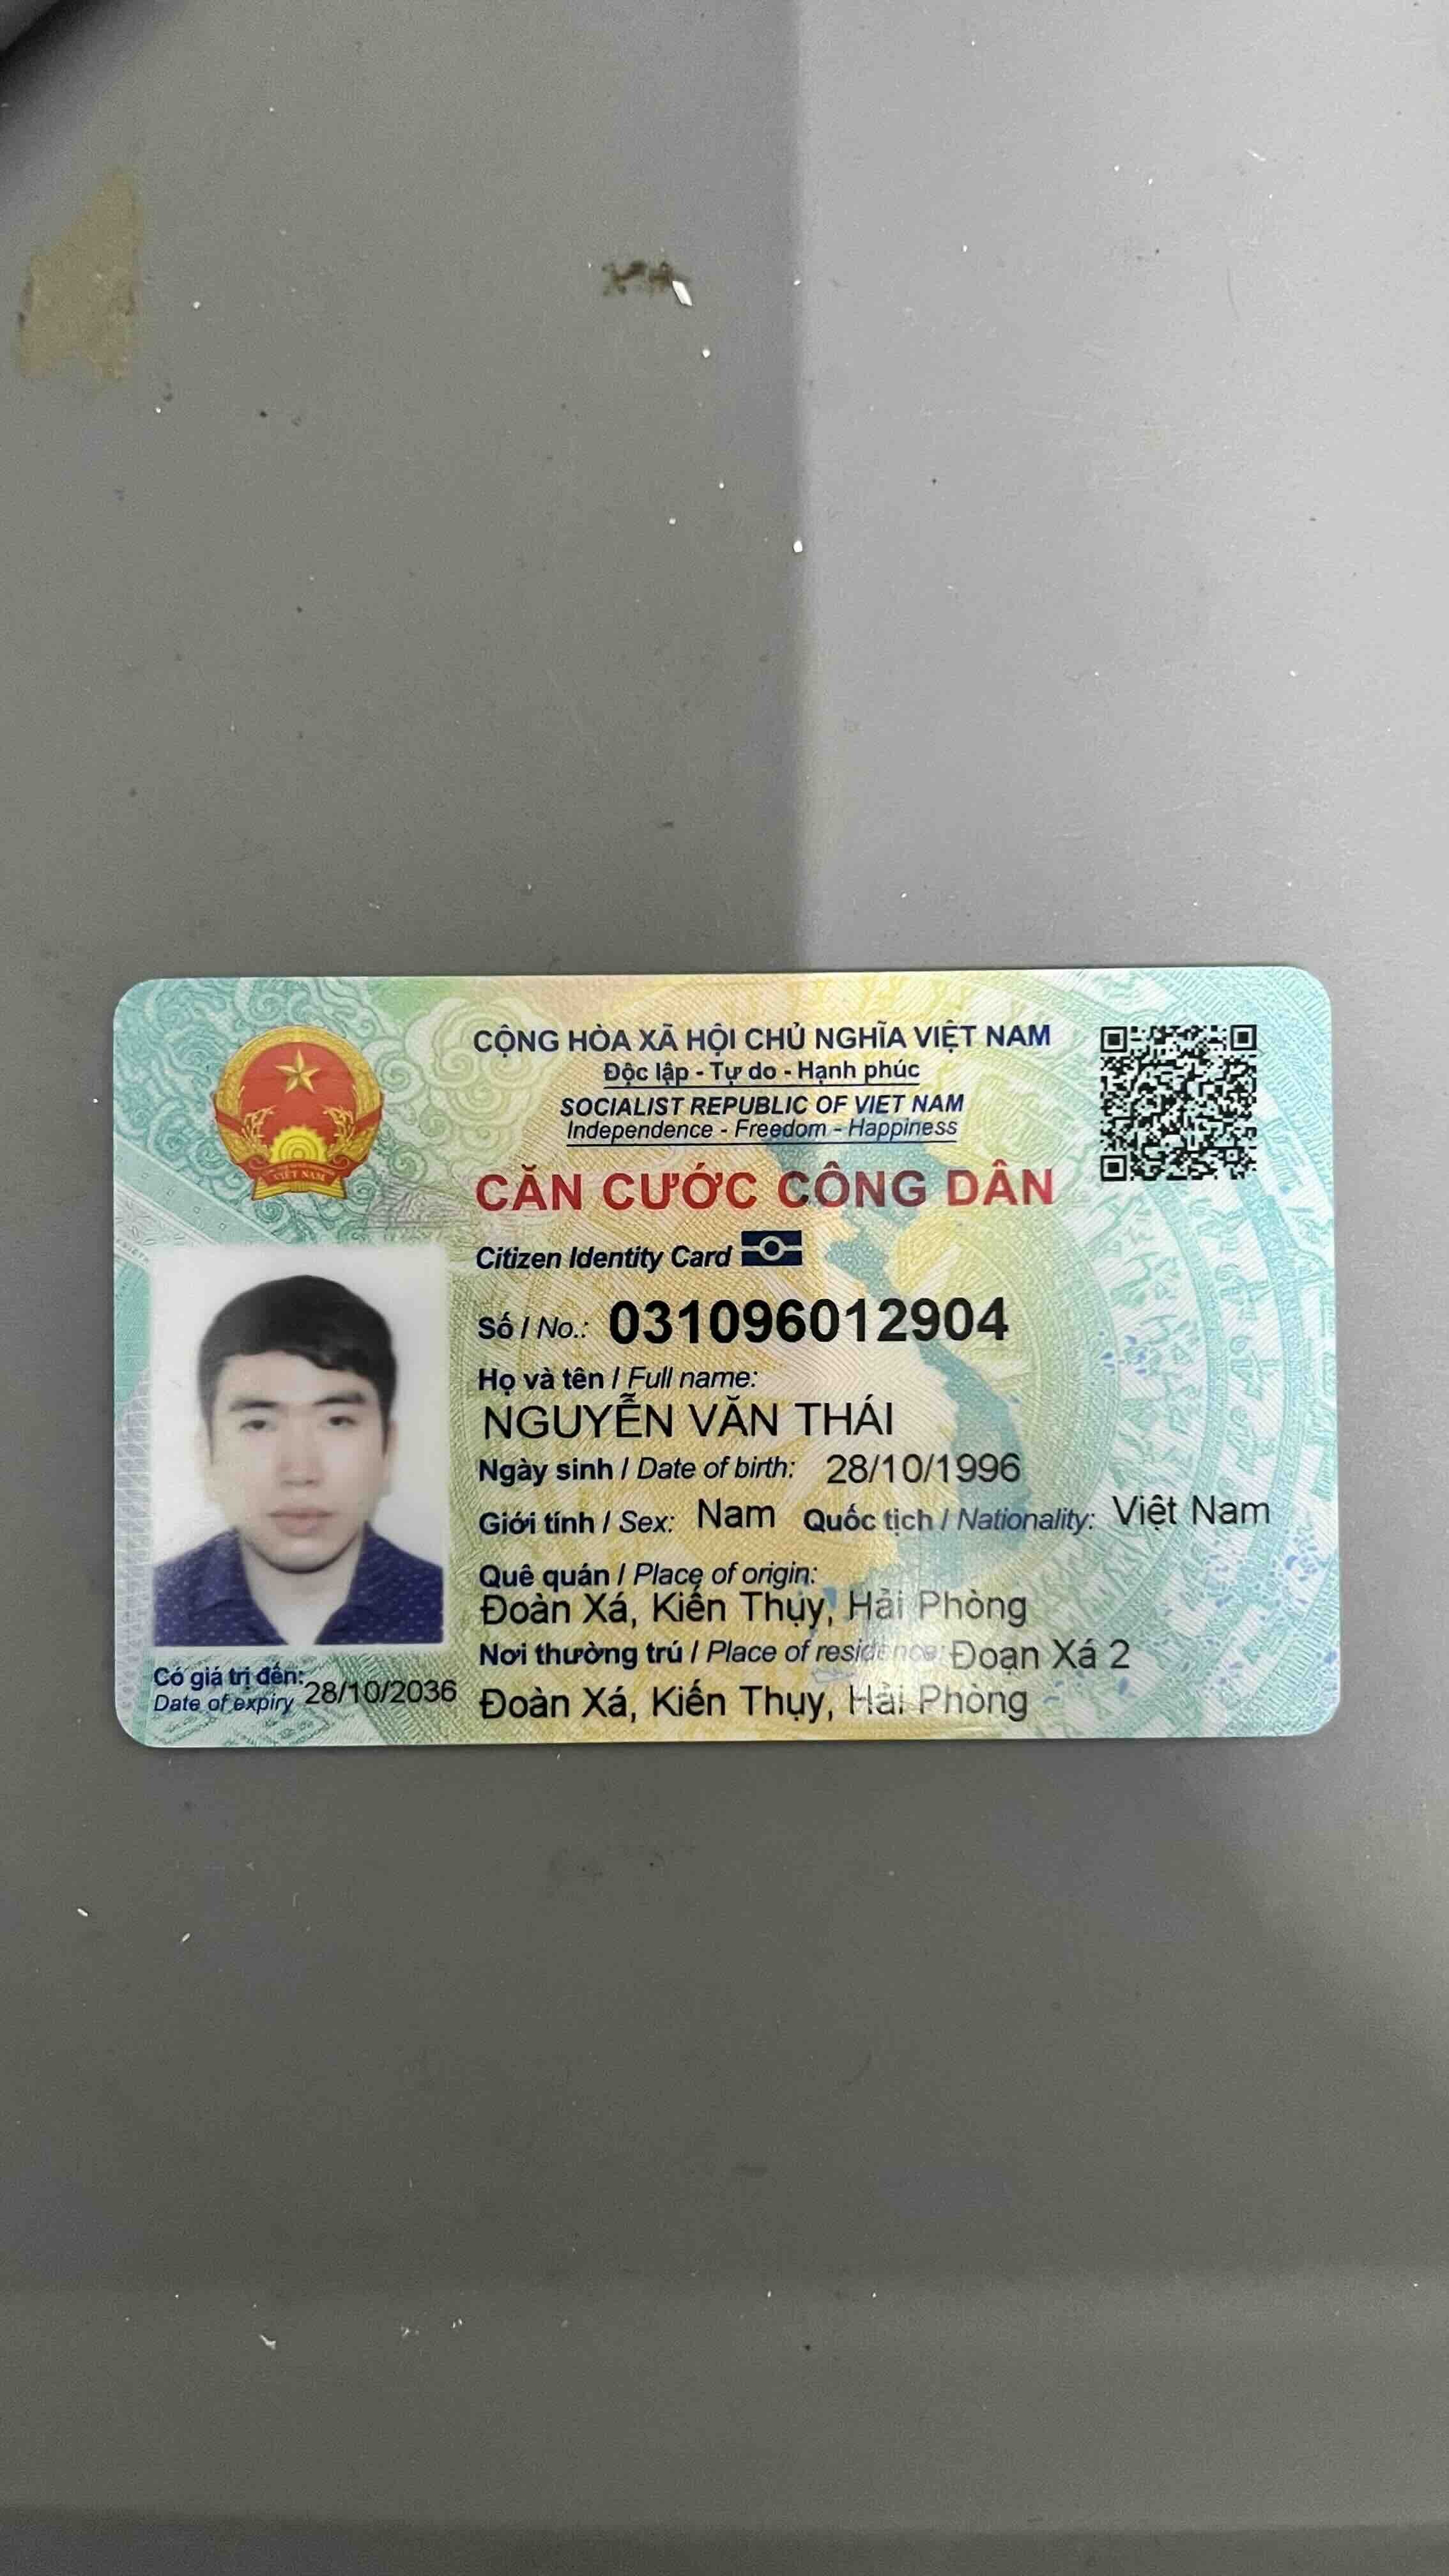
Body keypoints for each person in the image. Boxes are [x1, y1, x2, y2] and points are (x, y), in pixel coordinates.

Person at [153, 1273, 443, 1646]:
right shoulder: (145, 1613)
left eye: (337, 1421)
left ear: (388, 1451)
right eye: (259, 1424)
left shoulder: (454, 1614)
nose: (301, 1472)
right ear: (206, 1455)